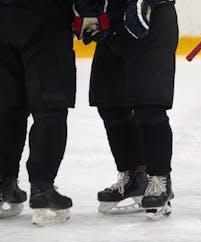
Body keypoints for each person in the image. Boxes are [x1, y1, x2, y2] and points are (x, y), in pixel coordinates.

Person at [74, 0, 178, 220]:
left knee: (148, 105)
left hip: (151, 16)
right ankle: (133, 176)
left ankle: (160, 178)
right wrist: (86, 10)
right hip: (112, 22)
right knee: (110, 105)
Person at [0, 0, 75, 225]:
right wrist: (90, 10)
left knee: (6, 105)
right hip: (46, 16)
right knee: (50, 108)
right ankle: (42, 189)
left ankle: (5, 183)